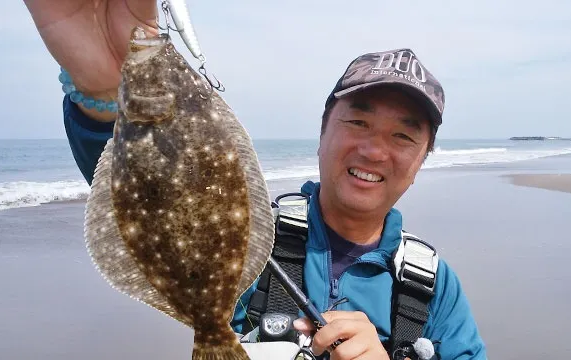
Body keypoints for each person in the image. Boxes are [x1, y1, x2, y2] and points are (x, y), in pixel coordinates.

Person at [25, 1, 487, 359]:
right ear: (323, 132)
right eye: (358, 123)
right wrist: (104, 96)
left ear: (423, 158)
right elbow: (157, 191)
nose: (373, 150)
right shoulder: (252, 236)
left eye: (403, 135)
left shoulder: (433, 291)